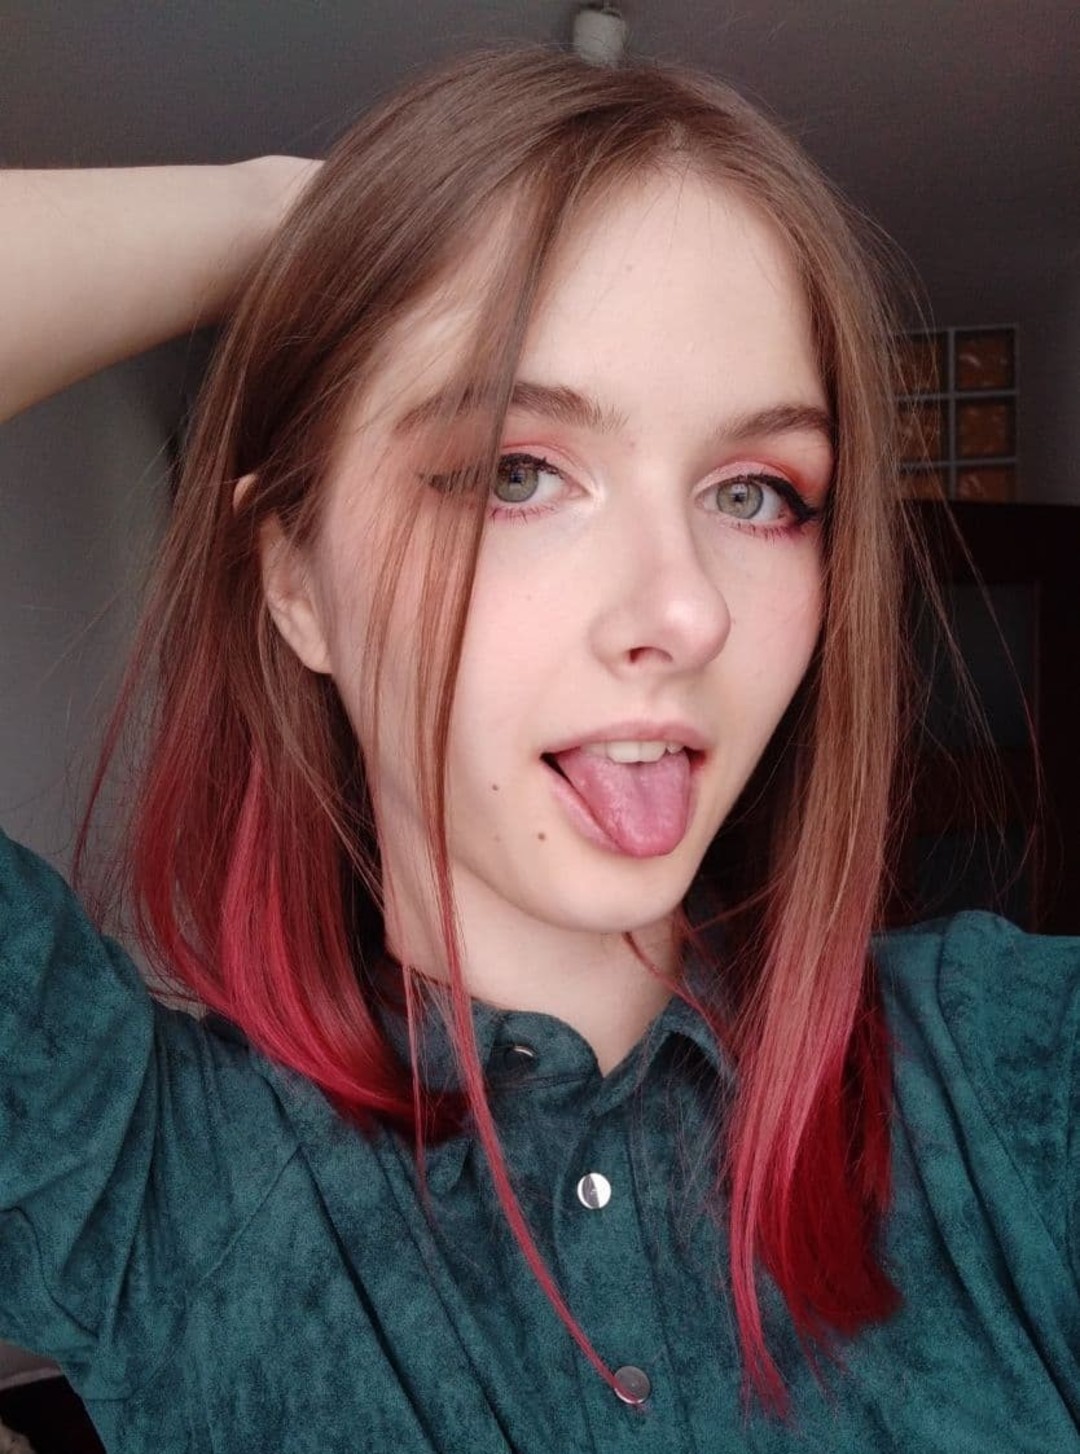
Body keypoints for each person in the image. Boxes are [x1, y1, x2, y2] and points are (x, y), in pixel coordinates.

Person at [0, 47, 1076, 1453]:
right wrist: (293, 213)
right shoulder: (147, 1175)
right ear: (296, 582)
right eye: (519, 471)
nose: (686, 611)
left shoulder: (1011, 1075)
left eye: (756, 493)